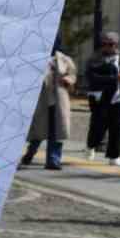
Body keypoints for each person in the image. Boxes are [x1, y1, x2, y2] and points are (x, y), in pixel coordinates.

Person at [23, 40, 76, 171]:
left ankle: (53, 161)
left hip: (59, 101)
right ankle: (30, 154)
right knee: (39, 132)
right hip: (42, 100)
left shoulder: (65, 59)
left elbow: (72, 74)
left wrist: (67, 80)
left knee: (57, 131)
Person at [85, 32, 120, 166]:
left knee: (117, 127)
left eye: (110, 44)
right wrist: (114, 78)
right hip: (101, 97)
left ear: (116, 44)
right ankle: (91, 146)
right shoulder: (94, 58)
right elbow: (92, 78)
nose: (107, 47)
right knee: (98, 126)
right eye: (104, 44)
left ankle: (114, 156)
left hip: (119, 97)